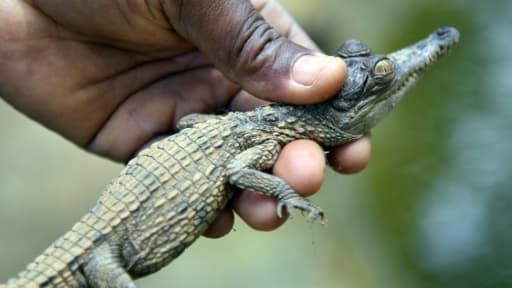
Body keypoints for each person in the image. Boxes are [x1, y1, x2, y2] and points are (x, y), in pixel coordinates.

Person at [0, 0, 371, 238]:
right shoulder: (263, 136)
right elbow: (234, 167)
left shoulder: (251, 131)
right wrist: (284, 192)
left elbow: (188, 123)